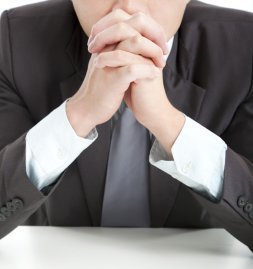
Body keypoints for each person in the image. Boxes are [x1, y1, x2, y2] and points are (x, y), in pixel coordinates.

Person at [0, 0, 252, 250]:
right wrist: (78, 114)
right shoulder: (15, 38)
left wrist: (168, 123)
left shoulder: (243, 44)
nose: (129, 7)